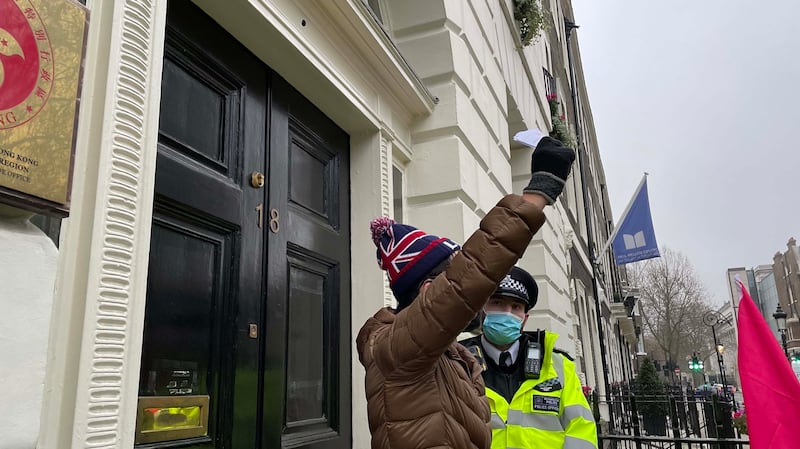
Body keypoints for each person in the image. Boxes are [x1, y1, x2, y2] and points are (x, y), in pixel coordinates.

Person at [356, 135, 576, 449]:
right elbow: (468, 278)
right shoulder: (392, 348)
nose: (483, 300)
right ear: (432, 290)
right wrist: (536, 196)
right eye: (454, 274)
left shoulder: (455, 357)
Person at [460, 266, 598, 449]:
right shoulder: (458, 363)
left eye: (515, 307)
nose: (507, 313)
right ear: (482, 310)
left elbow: (581, 431)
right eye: (497, 302)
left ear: (524, 318)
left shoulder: (557, 366)